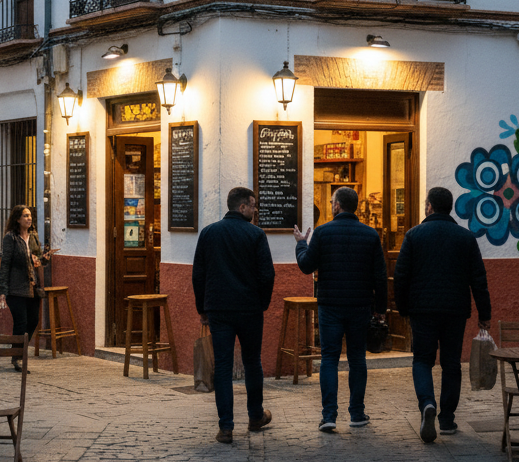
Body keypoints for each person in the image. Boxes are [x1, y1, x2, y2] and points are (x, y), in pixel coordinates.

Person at [393, 186, 492, 443]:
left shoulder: (414, 235)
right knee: (451, 364)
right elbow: (478, 280)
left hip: (422, 310)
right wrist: (485, 313)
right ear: (449, 207)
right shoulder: (465, 238)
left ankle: (427, 404)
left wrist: (403, 309)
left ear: (429, 206)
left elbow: (401, 277)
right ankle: (447, 419)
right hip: (455, 311)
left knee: (422, 360)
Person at [292, 187, 387, 432]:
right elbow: (380, 276)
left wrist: (301, 244)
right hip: (360, 306)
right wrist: (381, 309)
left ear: (337, 206)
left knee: (329, 359)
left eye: (332, 201)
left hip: (330, 306)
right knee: (357, 359)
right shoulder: (370, 235)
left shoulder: (322, 232)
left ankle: (329, 415)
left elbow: (306, 266)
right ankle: (356, 413)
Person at [192, 187, 276, 444]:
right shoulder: (256, 235)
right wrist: (262, 303)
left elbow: (198, 275)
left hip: (219, 309)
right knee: (252, 362)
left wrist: (202, 309)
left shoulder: (208, 233)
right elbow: (267, 275)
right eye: (252, 206)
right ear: (241, 207)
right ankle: (255, 416)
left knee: (224, 367)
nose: (255, 210)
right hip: (250, 308)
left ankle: (226, 427)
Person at [0, 205, 55, 372]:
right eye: (25, 216)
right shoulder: (11, 238)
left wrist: (44, 259)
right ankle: (17, 358)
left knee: (33, 321)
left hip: (32, 287)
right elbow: (5, 264)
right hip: (16, 288)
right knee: (20, 323)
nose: (29, 219)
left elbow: (37, 261)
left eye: (30, 216)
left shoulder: (33, 237)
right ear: (17, 219)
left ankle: (18, 352)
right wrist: (3, 290)